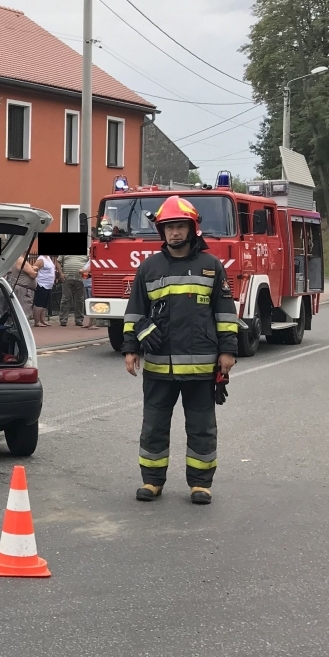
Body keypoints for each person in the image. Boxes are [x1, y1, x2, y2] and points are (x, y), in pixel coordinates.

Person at [121, 196, 238, 505]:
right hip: (159, 367)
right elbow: (134, 312)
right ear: (162, 231)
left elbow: (225, 314)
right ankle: (152, 482)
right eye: (169, 227)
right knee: (154, 427)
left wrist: (228, 352)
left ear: (192, 229)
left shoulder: (211, 267)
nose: (174, 233)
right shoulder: (149, 268)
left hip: (201, 369)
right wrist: (130, 349)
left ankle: (200, 484)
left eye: (180, 227)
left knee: (201, 428)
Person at [58, 248, 90, 327]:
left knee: (80, 300)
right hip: (67, 278)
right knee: (65, 299)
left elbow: (90, 262)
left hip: (81, 279)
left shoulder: (86, 250)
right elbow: (58, 262)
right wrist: (61, 273)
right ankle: (63, 319)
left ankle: (79, 320)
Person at [32, 251, 56, 327]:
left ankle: (43, 320)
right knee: (39, 303)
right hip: (42, 284)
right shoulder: (41, 259)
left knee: (44, 304)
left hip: (49, 284)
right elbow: (34, 268)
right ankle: (37, 321)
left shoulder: (48, 257)